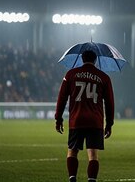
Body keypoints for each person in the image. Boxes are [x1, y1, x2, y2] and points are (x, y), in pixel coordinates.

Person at [55, 50, 115, 182]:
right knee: (93, 154)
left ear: (82, 59)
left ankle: (72, 178)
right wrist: (109, 123)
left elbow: (62, 98)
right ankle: (91, 180)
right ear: (95, 60)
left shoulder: (71, 74)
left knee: (72, 151)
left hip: (76, 119)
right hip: (95, 121)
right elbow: (110, 102)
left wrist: (58, 118)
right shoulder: (104, 77)